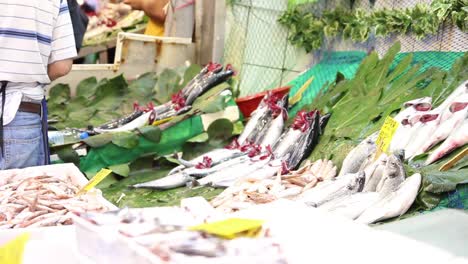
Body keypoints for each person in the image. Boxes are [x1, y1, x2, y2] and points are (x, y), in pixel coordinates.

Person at [0, 0, 77, 169]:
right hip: (21, 113)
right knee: (17, 193)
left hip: (15, 109)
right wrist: (30, 76)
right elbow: (62, 66)